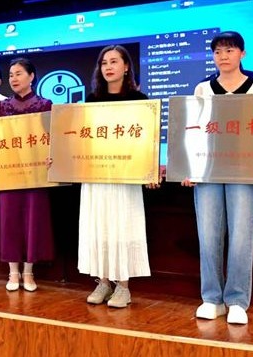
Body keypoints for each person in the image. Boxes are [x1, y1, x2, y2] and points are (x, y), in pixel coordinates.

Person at [182, 31, 253, 325]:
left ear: (242, 54)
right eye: (218, 51)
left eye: (230, 50)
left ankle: (236, 300)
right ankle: (212, 298)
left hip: (245, 170)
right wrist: (188, 167)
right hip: (208, 170)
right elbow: (193, 132)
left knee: (242, 236)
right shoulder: (202, 88)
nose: (223, 56)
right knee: (208, 235)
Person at [77, 45, 150, 308]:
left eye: (114, 61)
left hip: (125, 176)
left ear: (126, 66)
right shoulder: (92, 100)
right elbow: (81, 138)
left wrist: (150, 168)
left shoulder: (140, 100)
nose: (108, 67)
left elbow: (147, 140)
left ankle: (123, 287)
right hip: (96, 174)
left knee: (122, 226)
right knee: (99, 226)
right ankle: (103, 282)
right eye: (104, 63)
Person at [0, 58, 54, 292]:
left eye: (19, 74)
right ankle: (13, 271)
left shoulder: (45, 104)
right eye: (11, 75)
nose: (13, 78)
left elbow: (51, 139)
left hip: (35, 174)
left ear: (31, 76)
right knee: (9, 220)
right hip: (9, 173)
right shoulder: (3, 106)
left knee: (33, 220)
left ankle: (29, 272)